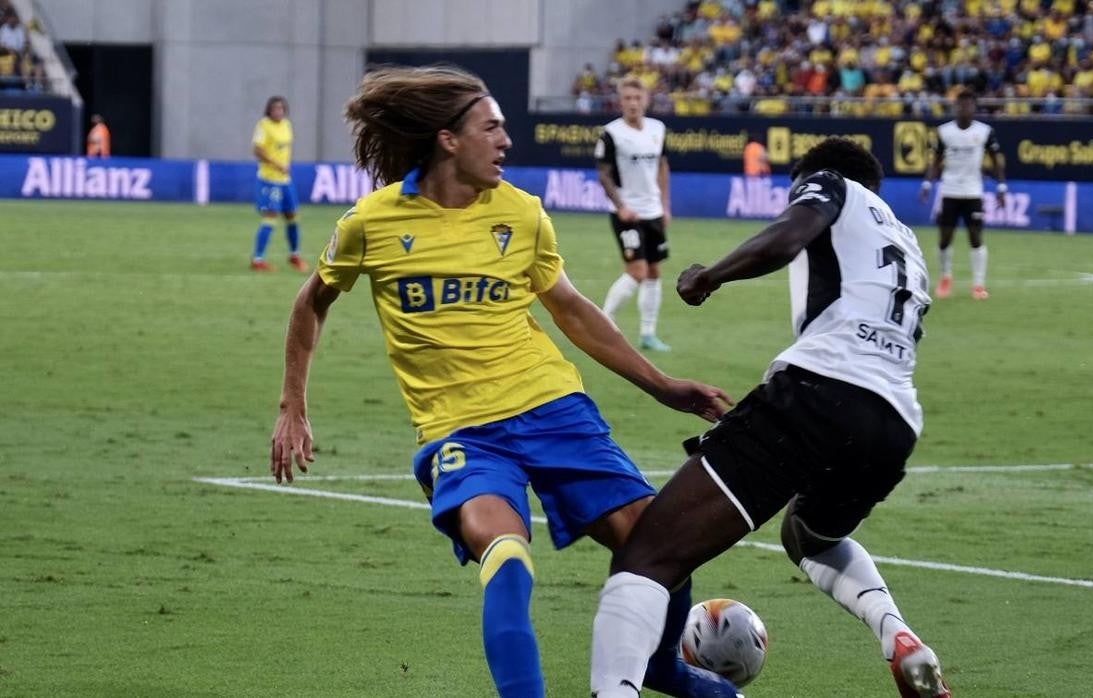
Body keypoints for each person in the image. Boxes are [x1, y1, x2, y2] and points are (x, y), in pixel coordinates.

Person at [269, 65, 739, 698]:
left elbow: (570, 308)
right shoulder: (372, 223)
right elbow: (311, 303)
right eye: (491, 128)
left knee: (662, 542)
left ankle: (659, 667)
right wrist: (292, 405)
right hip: (461, 432)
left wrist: (660, 384)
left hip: (553, 408)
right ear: (448, 140)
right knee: (507, 557)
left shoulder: (522, 214)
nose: (506, 141)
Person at [590, 137, 951, 698]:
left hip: (818, 393)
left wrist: (709, 276)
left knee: (647, 555)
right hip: (894, 423)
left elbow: (788, 236)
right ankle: (897, 633)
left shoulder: (831, 183)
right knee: (809, 536)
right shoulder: (904, 238)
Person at [596, 77, 674, 352]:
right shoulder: (611, 133)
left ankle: (648, 334)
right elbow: (603, 175)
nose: (632, 103)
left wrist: (665, 206)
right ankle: (604, 322)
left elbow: (663, 166)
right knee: (637, 270)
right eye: (627, 98)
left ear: (646, 100)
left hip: (653, 211)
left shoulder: (657, 129)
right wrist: (621, 207)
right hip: (627, 214)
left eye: (637, 98)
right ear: (620, 101)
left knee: (654, 271)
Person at [919, 90, 1007, 301]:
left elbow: (996, 160)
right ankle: (945, 278)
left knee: (976, 237)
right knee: (944, 238)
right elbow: (936, 160)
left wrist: (1002, 186)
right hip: (950, 191)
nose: (964, 109)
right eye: (961, 105)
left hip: (973, 191)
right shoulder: (944, 132)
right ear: (956, 107)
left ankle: (978, 284)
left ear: (974, 108)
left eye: (968, 105)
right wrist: (927, 183)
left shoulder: (985, 131)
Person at [250, 96, 305, 272]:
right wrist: (277, 164)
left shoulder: (287, 125)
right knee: (270, 217)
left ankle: (295, 255)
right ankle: (258, 259)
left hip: (284, 180)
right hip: (269, 179)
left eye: (281, 109)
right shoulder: (264, 125)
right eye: (275, 109)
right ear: (269, 110)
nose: (278, 112)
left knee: (293, 216)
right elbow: (257, 150)